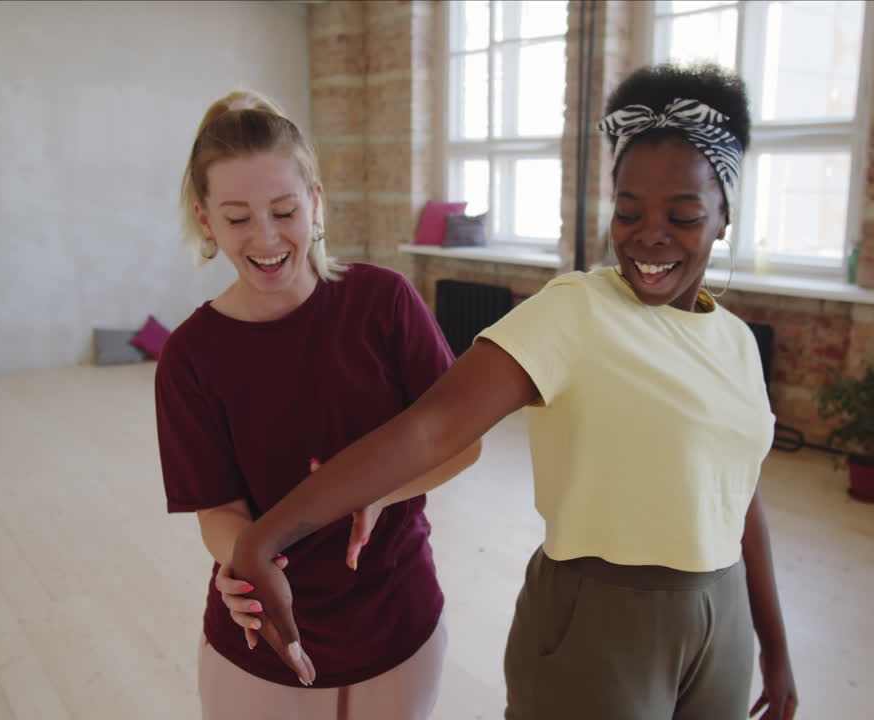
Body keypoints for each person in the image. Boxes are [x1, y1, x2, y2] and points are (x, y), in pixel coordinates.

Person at [228, 63, 799, 720]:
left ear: (724, 218)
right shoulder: (576, 312)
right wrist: (263, 538)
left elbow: (739, 492)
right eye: (628, 210)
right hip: (600, 620)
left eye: (686, 214)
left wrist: (774, 648)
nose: (650, 235)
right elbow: (429, 428)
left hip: (723, 618)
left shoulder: (734, 341)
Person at [155, 89, 481, 720]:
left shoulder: (383, 302)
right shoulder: (191, 357)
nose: (266, 238)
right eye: (237, 217)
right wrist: (244, 555)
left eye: (283, 210)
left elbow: (461, 441)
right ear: (205, 220)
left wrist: (378, 492)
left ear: (316, 201)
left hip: (398, 619)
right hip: (261, 641)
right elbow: (216, 510)